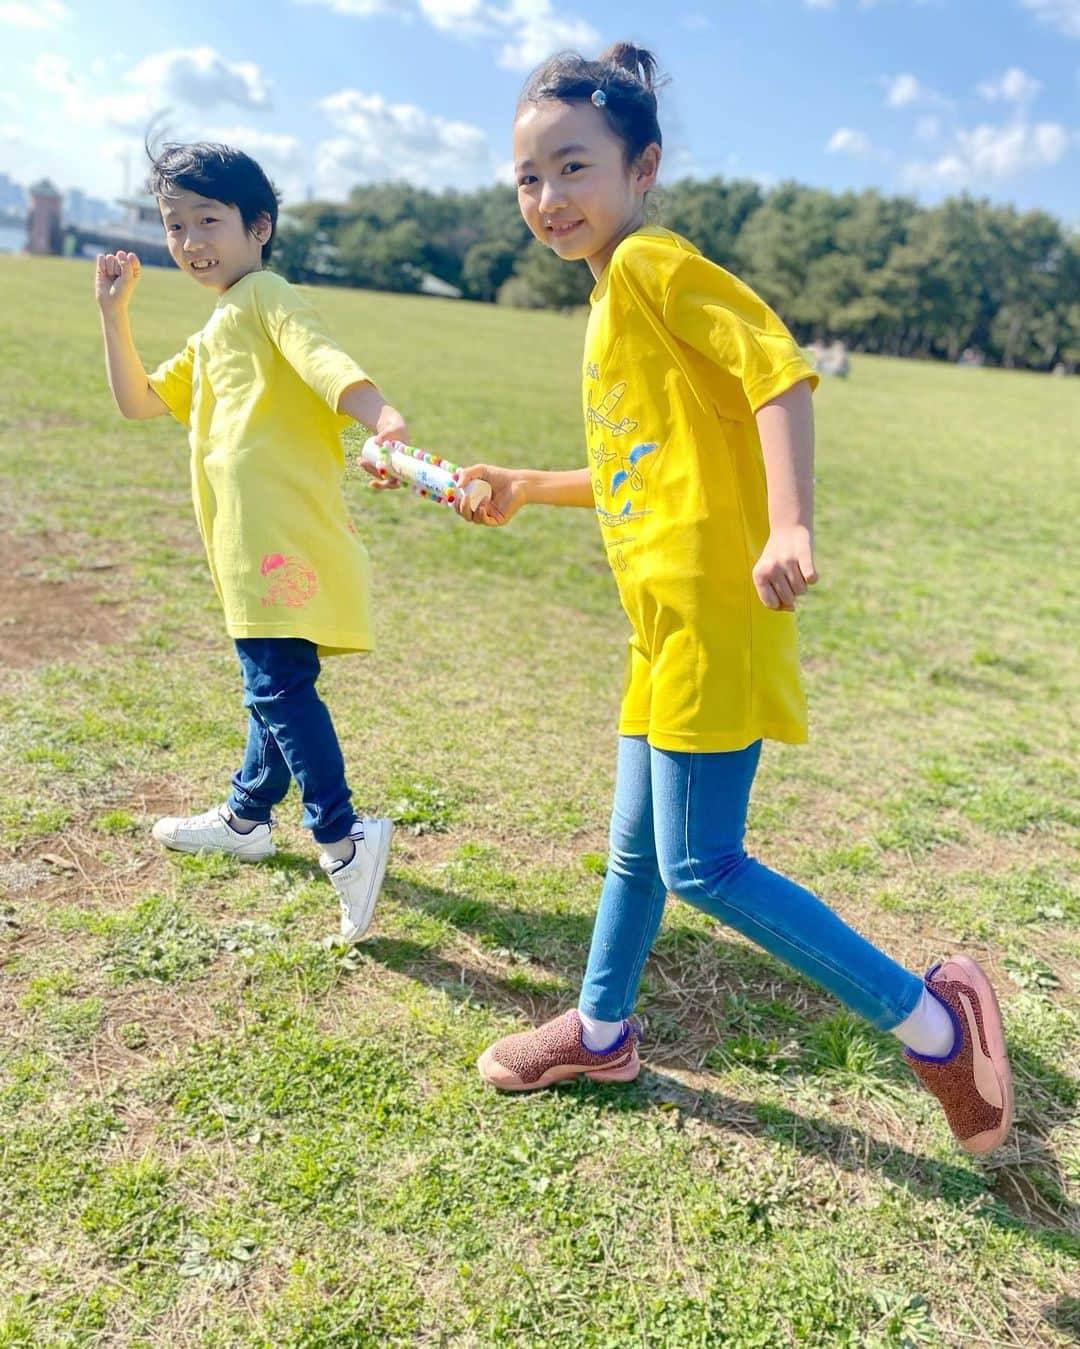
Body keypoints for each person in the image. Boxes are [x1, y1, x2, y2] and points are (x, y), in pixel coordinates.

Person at [456, 44, 1013, 1155]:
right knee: (632, 850)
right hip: (657, 628)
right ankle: (601, 1029)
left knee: (702, 864)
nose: (549, 198)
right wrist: (526, 485)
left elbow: (775, 365)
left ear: (642, 166)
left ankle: (940, 1025)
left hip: (712, 616)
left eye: (574, 168)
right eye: (528, 177)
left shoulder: (655, 262)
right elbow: (640, 468)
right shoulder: (613, 295)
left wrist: (791, 522)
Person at [95, 142, 403, 943]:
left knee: (276, 682)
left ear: (258, 227)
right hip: (243, 542)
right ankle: (246, 817)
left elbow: (322, 356)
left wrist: (382, 417)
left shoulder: (265, 294)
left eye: (209, 219)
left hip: (278, 537)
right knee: (270, 679)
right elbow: (137, 402)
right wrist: (113, 313)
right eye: (175, 224)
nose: (192, 239)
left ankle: (343, 837)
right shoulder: (215, 326)